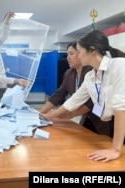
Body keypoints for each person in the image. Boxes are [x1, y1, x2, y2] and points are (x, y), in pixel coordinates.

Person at [41, 30, 125, 162]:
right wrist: (48, 117)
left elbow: (121, 108)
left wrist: (115, 150)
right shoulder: (90, 76)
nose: (78, 55)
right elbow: (73, 101)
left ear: (92, 50)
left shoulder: (119, 65)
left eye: (79, 51)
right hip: (111, 123)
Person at [39, 41, 92, 124]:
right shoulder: (69, 73)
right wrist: (40, 113)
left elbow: (91, 102)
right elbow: (58, 95)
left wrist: (72, 113)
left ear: (81, 53)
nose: (68, 58)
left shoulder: (91, 73)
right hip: (84, 118)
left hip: (99, 118)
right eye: (67, 54)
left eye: (71, 54)